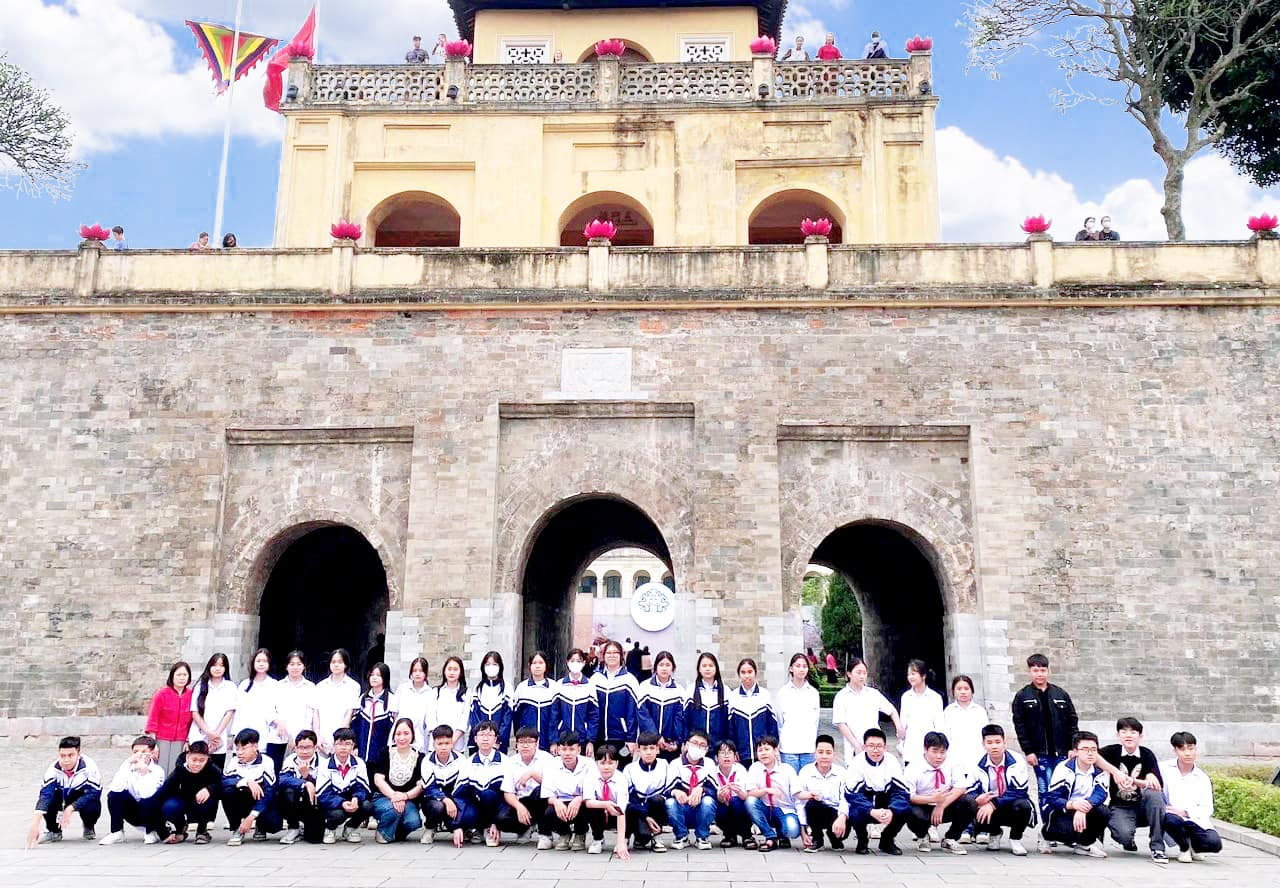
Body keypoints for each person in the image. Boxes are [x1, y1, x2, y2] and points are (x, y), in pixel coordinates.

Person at [1011, 653, 1078, 813]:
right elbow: (1020, 726)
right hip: (1040, 754)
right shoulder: (1022, 696)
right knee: (1045, 790)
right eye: (1035, 670)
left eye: (1042, 670)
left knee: (1064, 789)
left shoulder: (1061, 694)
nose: (1039, 674)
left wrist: (1073, 746)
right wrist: (1028, 751)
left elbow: (1072, 721)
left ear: (1048, 671)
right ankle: (1047, 824)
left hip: (1063, 752)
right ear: (1029, 671)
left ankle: (1063, 823)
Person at [832, 727, 910, 855]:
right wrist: (871, 811)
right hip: (865, 802)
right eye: (871, 746)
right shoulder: (857, 763)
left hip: (885, 801)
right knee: (855, 810)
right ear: (864, 747)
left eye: (879, 746)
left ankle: (887, 840)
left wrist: (892, 810)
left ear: (885, 747)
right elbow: (852, 795)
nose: (875, 750)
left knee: (905, 809)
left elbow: (902, 791)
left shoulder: (892, 761)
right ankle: (862, 840)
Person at [1100, 716, 1167, 863]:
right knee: (1123, 835)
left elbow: (1157, 785)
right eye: (1124, 732)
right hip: (1120, 805)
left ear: (1140, 736)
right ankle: (1128, 840)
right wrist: (1115, 772)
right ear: (1118, 735)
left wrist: (1138, 780)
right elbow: (1094, 757)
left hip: (1143, 806)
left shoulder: (1147, 754)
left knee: (1155, 795)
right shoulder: (1111, 751)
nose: (1128, 735)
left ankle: (1157, 847)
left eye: (1133, 732)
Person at [903, 731, 975, 855]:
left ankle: (951, 838)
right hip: (923, 805)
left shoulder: (953, 763)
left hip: (945, 805)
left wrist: (941, 805)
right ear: (925, 749)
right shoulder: (914, 767)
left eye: (942, 752)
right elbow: (909, 796)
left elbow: (961, 787)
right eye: (934, 751)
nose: (939, 756)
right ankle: (922, 836)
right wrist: (932, 799)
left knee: (970, 802)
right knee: (909, 811)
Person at [1041, 731, 1111, 857]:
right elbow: (1053, 797)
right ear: (1076, 751)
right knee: (1066, 833)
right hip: (1064, 808)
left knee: (1104, 812)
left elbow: (1101, 793)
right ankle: (1046, 835)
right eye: (1085, 749)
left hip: (1086, 808)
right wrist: (1073, 805)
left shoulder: (1100, 770)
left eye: (1094, 749)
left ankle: (1084, 845)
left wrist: (1084, 806)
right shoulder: (1064, 768)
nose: (1090, 753)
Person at [967, 723, 1033, 855]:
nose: (994, 746)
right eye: (989, 742)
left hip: (1010, 803)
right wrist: (978, 799)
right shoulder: (977, 763)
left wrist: (993, 804)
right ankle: (994, 833)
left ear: (1004, 743)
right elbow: (969, 789)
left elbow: (1019, 790)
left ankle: (1015, 839)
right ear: (983, 744)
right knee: (969, 804)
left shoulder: (1017, 760)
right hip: (987, 804)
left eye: (998, 742)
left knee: (1024, 806)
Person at [1162, 731, 1222, 863]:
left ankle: (1193, 845)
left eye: (1191, 748)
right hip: (1171, 817)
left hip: (1194, 819)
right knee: (1171, 820)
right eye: (1182, 749)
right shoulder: (1164, 769)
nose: (1187, 753)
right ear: (1175, 751)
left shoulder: (1202, 778)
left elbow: (1207, 808)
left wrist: (1185, 812)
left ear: (1196, 749)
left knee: (1214, 844)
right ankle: (1184, 848)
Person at [831, 658, 903, 765]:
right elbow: (841, 724)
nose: (862, 676)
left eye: (864, 673)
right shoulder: (841, 696)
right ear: (849, 674)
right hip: (854, 749)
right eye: (858, 672)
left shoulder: (873, 694)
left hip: (875, 748)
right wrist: (857, 746)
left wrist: (898, 727)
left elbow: (891, 710)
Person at [152, 740, 222, 844]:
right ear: (187, 757)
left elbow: (222, 784)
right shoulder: (180, 769)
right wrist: (163, 833)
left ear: (207, 758)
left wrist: (209, 789)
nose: (197, 764)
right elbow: (165, 790)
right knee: (169, 807)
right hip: (183, 800)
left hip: (201, 801)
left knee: (206, 800)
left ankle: (202, 831)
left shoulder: (212, 769)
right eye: (194, 760)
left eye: (202, 760)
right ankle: (180, 828)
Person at [369, 717, 426, 844]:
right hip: (383, 797)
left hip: (408, 799)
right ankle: (383, 832)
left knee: (414, 822)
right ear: (394, 735)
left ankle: (393, 832)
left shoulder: (419, 757)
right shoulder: (385, 752)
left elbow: (420, 785)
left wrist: (405, 796)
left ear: (412, 735)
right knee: (393, 810)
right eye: (398, 734)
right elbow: (378, 780)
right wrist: (394, 796)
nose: (402, 738)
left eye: (406, 733)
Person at [99, 735, 165, 845]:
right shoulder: (128, 766)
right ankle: (116, 832)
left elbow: (147, 795)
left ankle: (151, 831)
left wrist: (144, 773)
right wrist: (128, 764)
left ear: (152, 753)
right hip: (133, 812)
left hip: (152, 813)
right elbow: (115, 788)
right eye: (135, 752)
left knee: (150, 800)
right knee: (114, 795)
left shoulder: (158, 771)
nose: (139, 755)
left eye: (144, 751)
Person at [220, 727, 280, 845]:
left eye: (244, 748)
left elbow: (269, 792)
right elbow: (225, 781)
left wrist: (251, 817)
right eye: (237, 748)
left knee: (273, 823)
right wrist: (247, 781)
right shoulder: (234, 761)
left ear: (255, 746)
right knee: (227, 791)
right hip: (243, 801)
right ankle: (237, 829)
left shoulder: (267, 761)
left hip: (261, 802)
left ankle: (261, 826)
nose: (239, 752)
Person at [537, 730, 593, 850]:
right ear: (558, 750)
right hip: (561, 802)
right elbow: (547, 793)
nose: (567, 753)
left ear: (579, 749)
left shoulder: (589, 764)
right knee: (547, 810)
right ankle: (564, 833)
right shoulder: (551, 764)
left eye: (571, 749)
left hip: (581, 802)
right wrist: (556, 802)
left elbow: (592, 792)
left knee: (589, 805)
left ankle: (580, 833)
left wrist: (579, 799)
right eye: (564, 749)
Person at [455, 719, 508, 846]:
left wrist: (495, 822)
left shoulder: (506, 762)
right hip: (477, 805)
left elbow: (509, 793)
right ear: (475, 739)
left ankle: (492, 828)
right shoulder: (468, 763)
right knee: (467, 814)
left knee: (489, 795)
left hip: (498, 805)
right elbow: (460, 794)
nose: (485, 738)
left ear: (495, 739)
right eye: (482, 735)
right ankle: (476, 829)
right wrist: (457, 825)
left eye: (489, 735)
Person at [743, 735, 800, 851]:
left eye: (767, 749)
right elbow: (750, 793)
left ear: (776, 751)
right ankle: (770, 836)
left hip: (784, 809)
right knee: (750, 801)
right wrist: (766, 790)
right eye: (760, 750)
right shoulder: (755, 768)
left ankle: (782, 834)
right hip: (765, 808)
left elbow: (797, 794)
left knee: (792, 830)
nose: (763, 753)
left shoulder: (787, 769)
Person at [498, 725, 554, 839]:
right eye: (521, 742)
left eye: (529, 742)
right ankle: (526, 827)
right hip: (521, 801)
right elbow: (508, 792)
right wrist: (519, 807)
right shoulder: (511, 762)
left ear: (536, 743)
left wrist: (532, 774)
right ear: (516, 744)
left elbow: (553, 786)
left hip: (542, 801)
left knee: (540, 791)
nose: (525, 746)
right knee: (501, 820)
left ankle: (545, 834)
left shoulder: (547, 759)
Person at [317, 726, 370, 844]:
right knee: (338, 814)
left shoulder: (359, 763)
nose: (343, 747)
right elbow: (323, 794)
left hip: (352, 801)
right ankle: (330, 829)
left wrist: (356, 798)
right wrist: (341, 802)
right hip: (332, 804)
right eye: (340, 744)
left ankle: (350, 828)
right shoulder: (325, 765)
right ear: (334, 745)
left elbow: (363, 787)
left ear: (353, 746)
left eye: (348, 744)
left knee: (367, 806)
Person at [623, 730, 673, 852]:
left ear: (657, 750)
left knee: (658, 799)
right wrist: (645, 816)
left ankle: (657, 837)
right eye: (645, 749)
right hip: (638, 810)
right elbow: (629, 797)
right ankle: (626, 838)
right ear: (638, 750)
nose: (649, 752)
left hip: (654, 809)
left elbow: (667, 791)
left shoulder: (664, 765)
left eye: (652, 748)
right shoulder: (630, 769)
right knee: (628, 807)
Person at [666, 730, 717, 850]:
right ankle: (681, 836)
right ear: (687, 745)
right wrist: (675, 792)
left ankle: (702, 837)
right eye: (694, 743)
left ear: (706, 749)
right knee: (670, 802)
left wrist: (702, 789)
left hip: (701, 809)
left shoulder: (709, 764)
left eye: (702, 745)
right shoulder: (675, 764)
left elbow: (714, 790)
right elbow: (667, 790)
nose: (698, 747)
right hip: (682, 809)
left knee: (709, 801)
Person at [236, 648, 284, 772]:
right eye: (258, 661)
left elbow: (278, 709)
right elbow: (239, 711)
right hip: (245, 729)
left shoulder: (274, 684)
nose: (261, 664)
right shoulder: (244, 684)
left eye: (264, 661)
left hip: (266, 732)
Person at [189, 652, 239, 771]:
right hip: (199, 735)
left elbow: (229, 712)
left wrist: (216, 734)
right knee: (196, 770)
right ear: (209, 666)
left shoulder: (230, 687)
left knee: (215, 772)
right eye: (215, 665)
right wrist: (209, 733)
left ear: (225, 668)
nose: (217, 668)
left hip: (219, 738)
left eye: (221, 665)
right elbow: (194, 712)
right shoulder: (200, 686)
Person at [795, 734, 845, 853]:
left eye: (828, 752)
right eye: (820, 752)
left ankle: (834, 837)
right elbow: (799, 801)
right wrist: (803, 830)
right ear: (815, 754)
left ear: (834, 754)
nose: (824, 756)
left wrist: (842, 818)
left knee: (846, 820)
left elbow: (845, 799)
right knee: (811, 804)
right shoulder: (806, 771)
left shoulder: (842, 772)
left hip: (835, 812)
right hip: (817, 812)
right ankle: (817, 838)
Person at [275, 729, 326, 844]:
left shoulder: (323, 762)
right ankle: (293, 826)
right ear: (296, 748)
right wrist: (304, 782)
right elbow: (282, 779)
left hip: (314, 802)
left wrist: (307, 776)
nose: (304, 751)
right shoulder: (290, 760)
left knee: (314, 838)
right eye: (301, 747)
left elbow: (324, 786)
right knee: (287, 791)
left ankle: (312, 826)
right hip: (294, 799)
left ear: (315, 748)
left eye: (308, 747)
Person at [419, 724, 466, 845]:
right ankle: (431, 827)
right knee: (437, 807)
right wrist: (445, 800)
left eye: (447, 743)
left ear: (452, 744)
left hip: (455, 798)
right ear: (434, 744)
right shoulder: (427, 761)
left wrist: (456, 824)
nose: (443, 747)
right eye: (440, 744)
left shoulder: (461, 760)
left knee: (470, 812)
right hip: (434, 799)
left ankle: (465, 828)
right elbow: (429, 788)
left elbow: (462, 788)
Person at [145, 660, 193, 775]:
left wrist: (188, 740)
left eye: (185, 675)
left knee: (175, 770)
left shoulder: (192, 695)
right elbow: (153, 719)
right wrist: (153, 743)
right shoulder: (161, 694)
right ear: (172, 676)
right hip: (162, 739)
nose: (182, 678)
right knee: (159, 769)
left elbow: (193, 720)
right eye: (179, 675)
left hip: (181, 739)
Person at [727, 657, 777, 769]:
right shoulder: (733, 697)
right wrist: (733, 749)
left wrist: (772, 747)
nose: (747, 675)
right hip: (742, 754)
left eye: (750, 672)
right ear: (739, 675)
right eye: (743, 672)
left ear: (755, 673)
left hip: (763, 753)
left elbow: (772, 725)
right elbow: (730, 729)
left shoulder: (765, 695)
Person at [638, 650, 687, 760]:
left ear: (673, 668)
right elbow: (644, 716)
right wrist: (656, 737)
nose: (664, 668)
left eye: (668, 665)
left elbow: (679, 719)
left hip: (669, 747)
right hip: (649, 744)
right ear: (655, 667)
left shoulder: (679, 691)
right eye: (661, 665)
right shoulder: (645, 687)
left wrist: (676, 742)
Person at [583, 743, 630, 857]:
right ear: (596, 763)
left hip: (616, 814)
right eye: (602, 763)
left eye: (610, 763)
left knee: (631, 809)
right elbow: (588, 802)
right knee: (591, 807)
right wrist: (606, 804)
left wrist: (620, 843)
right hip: (600, 813)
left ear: (617, 763)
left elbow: (621, 811)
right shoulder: (590, 776)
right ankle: (597, 839)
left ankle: (624, 839)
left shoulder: (621, 779)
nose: (606, 767)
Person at [941, 675, 989, 784]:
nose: (963, 692)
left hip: (977, 756)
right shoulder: (948, 711)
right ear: (953, 692)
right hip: (955, 758)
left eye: (966, 689)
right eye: (959, 689)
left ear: (972, 691)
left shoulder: (980, 711)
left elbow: (985, 736)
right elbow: (945, 737)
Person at [776, 653, 820, 772]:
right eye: (798, 666)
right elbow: (779, 721)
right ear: (791, 668)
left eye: (804, 666)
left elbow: (815, 721)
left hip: (808, 748)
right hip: (788, 748)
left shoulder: (813, 693)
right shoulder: (783, 693)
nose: (801, 669)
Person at [596, 640, 641, 758]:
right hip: (598, 738)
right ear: (603, 655)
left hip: (621, 739)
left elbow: (633, 712)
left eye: (615, 652)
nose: (612, 655)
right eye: (608, 653)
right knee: (601, 768)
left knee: (621, 767)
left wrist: (631, 738)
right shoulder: (595, 679)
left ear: (621, 655)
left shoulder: (629, 680)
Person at [273, 650, 318, 762]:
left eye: (299, 664)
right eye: (292, 664)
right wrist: (280, 724)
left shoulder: (311, 687)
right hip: (280, 737)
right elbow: (271, 711)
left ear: (304, 666)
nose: (295, 667)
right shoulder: (278, 686)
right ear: (286, 666)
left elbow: (313, 714)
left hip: (304, 738)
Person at [313, 648, 360, 754]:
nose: (336, 665)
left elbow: (349, 714)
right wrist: (317, 737)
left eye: (340, 662)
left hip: (342, 740)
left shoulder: (353, 686)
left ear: (346, 664)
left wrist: (339, 740)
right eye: (333, 662)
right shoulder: (320, 686)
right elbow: (316, 713)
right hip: (322, 739)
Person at [554, 648, 599, 757]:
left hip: (582, 739)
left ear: (584, 663)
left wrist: (590, 741)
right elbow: (554, 715)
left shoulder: (590, 685)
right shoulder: (559, 684)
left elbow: (594, 716)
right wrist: (553, 741)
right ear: (567, 662)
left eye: (578, 661)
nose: (575, 664)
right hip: (562, 738)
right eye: (572, 660)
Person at [899, 658, 944, 767]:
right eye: (908, 674)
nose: (910, 677)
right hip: (911, 748)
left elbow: (940, 725)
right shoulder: (906, 697)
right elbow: (903, 724)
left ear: (923, 676)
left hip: (929, 747)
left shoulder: (935, 697)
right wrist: (900, 743)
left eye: (913, 674)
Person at [353, 661, 397, 761]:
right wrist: (355, 745)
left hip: (382, 754)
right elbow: (355, 725)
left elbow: (393, 728)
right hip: (361, 752)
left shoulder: (391, 700)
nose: (374, 678)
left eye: (378, 675)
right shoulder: (363, 698)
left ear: (385, 678)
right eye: (372, 675)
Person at [470, 650, 513, 753]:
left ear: (500, 666)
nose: (491, 667)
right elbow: (474, 715)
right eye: (488, 664)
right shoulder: (477, 688)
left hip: (499, 744)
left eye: (494, 664)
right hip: (479, 743)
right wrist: (481, 737)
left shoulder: (507, 688)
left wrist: (497, 739)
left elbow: (507, 717)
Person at [513, 651, 557, 752]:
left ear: (546, 665)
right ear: (529, 665)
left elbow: (556, 718)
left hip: (548, 742)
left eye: (541, 663)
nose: (537, 666)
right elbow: (516, 717)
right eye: (534, 663)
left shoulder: (554, 687)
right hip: (527, 742)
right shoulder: (522, 688)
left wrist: (554, 741)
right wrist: (519, 739)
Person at [709, 739, 750, 847]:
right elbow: (713, 794)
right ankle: (729, 836)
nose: (726, 756)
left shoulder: (741, 770)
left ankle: (747, 836)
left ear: (735, 756)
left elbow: (745, 796)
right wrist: (721, 797)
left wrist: (738, 791)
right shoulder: (712, 772)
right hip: (722, 804)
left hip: (739, 803)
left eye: (730, 753)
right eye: (722, 753)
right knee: (719, 807)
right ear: (716, 758)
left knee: (737, 802)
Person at [686, 652, 729, 750]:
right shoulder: (690, 690)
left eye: (711, 665)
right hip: (696, 746)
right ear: (699, 669)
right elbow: (685, 720)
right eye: (704, 666)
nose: (707, 669)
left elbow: (728, 724)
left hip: (718, 747)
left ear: (716, 668)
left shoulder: (726, 691)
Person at [395, 657, 435, 747]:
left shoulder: (431, 693)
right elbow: (395, 713)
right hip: (400, 737)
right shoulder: (403, 689)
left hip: (419, 739)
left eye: (421, 671)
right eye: (414, 671)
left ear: (425, 673)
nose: (417, 674)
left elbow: (430, 720)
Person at [434, 655, 471, 747]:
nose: (452, 672)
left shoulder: (467, 693)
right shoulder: (436, 692)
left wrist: (451, 742)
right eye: (449, 669)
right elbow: (431, 718)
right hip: (437, 744)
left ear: (460, 672)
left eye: (455, 669)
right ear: (444, 671)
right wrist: (441, 741)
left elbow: (465, 720)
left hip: (457, 744)